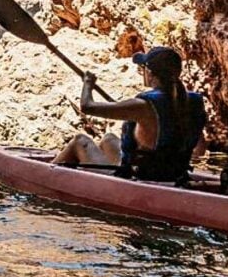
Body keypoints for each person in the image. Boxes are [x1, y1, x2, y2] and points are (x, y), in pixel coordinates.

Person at [52, 46, 207, 182]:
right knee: (108, 139)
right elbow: (199, 151)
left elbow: (87, 106)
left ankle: (47, 175)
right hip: (176, 175)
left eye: (143, 68)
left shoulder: (144, 105)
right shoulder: (191, 102)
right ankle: (90, 181)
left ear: (150, 73)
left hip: (141, 177)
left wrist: (88, 84)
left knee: (80, 141)